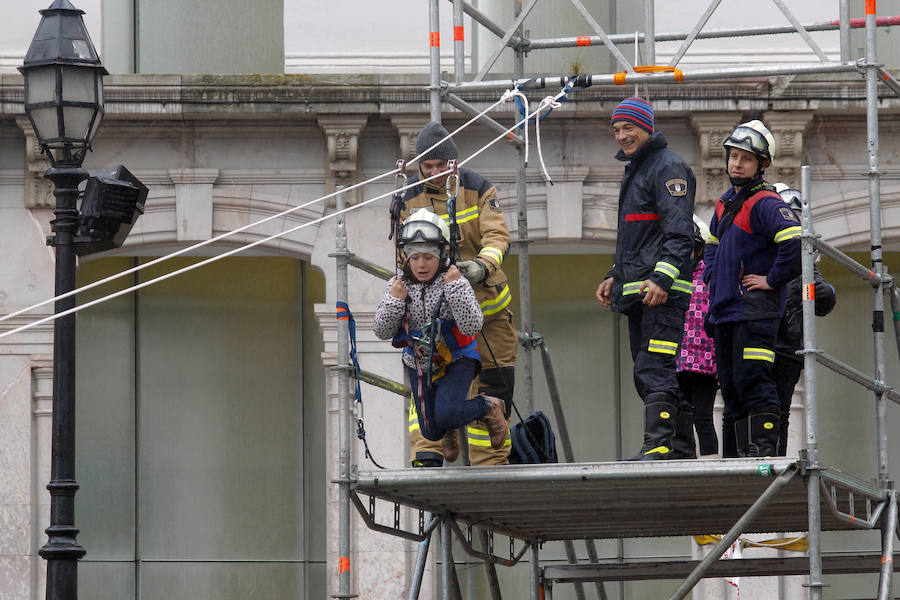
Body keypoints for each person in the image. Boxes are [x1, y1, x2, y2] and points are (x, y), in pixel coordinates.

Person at [392, 121, 518, 467]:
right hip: (438, 321)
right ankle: (429, 453)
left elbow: (497, 236)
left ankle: (490, 466)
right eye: (427, 166)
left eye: (440, 165)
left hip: (488, 315)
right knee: (428, 390)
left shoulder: (477, 188)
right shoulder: (407, 197)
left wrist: (480, 266)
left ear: (454, 163)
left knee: (493, 389)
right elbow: (405, 253)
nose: (433, 173)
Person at [595, 97, 697, 460]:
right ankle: (680, 449)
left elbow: (679, 234)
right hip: (642, 291)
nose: (622, 136)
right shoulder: (641, 168)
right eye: (617, 130)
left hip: (662, 294)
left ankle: (659, 446)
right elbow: (637, 241)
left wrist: (662, 280)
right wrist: (613, 276)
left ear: (646, 127)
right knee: (648, 370)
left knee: (654, 368)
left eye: (629, 128)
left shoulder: (667, 167)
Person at [703, 120, 801, 458]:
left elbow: (794, 242)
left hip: (755, 312)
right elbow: (712, 243)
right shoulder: (724, 203)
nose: (736, 163)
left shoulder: (766, 203)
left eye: (746, 158)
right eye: (733, 156)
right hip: (727, 311)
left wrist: (771, 280)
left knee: (755, 382)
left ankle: (761, 453)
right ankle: (734, 456)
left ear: (762, 164)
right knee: (731, 390)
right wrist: (712, 278)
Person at [374, 208, 509, 454]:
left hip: (457, 358)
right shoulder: (398, 284)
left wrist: (456, 288)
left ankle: (489, 406)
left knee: (447, 414)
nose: (421, 264)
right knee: (430, 431)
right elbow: (381, 331)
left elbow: (473, 326)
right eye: (414, 258)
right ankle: (448, 428)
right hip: (418, 362)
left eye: (428, 257)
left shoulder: (453, 279)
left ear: (442, 254)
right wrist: (394, 301)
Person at [771, 184, 837, 456]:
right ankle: (757, 455)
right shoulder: (762, 257)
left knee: (779, 409)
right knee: (763, 405)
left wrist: (821, 292)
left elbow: (821, 300)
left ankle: (772, 457)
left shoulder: (805, 262)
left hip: (786, 348)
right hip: (768, 344)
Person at [673, 216, 719, 459]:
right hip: (676, 361)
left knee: (702, 416)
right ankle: (683, 459)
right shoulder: (669, 278)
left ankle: (710, 464)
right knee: (679, 415)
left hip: (705, 363)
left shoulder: (710, 277)